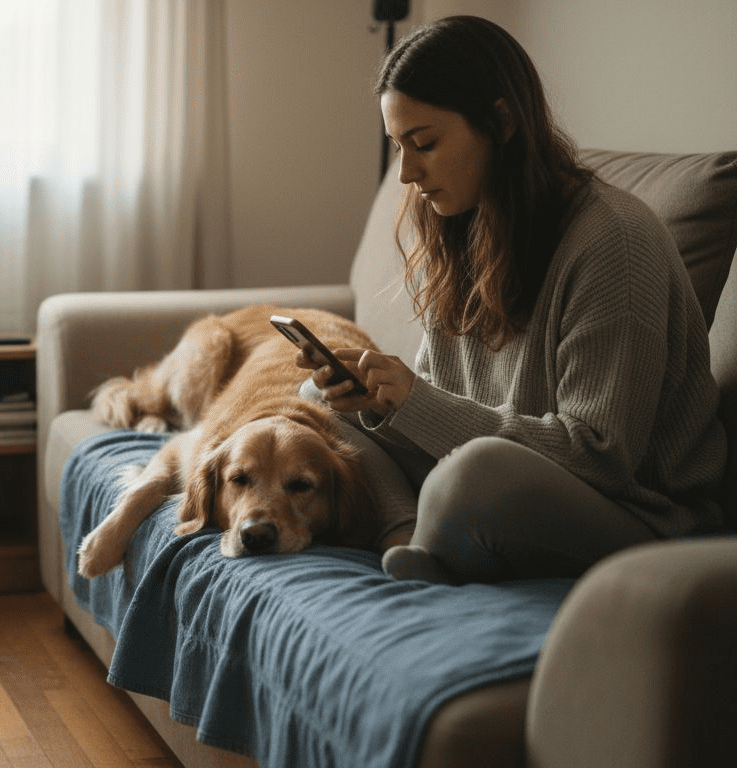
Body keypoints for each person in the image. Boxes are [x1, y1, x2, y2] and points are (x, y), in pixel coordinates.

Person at [297, 15, 726, 584]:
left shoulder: (615, 241)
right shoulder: (463, 225)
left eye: (424, 144)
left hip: (638, 519)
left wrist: (418, 403)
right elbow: (447, 406)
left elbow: (599, 456)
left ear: (501, 123)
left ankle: (438, 537)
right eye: (398, 147)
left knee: (477, 472)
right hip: (496, 480)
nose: (406, 173)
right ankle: (410, 539)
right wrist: (380, 401)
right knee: (320, 401)